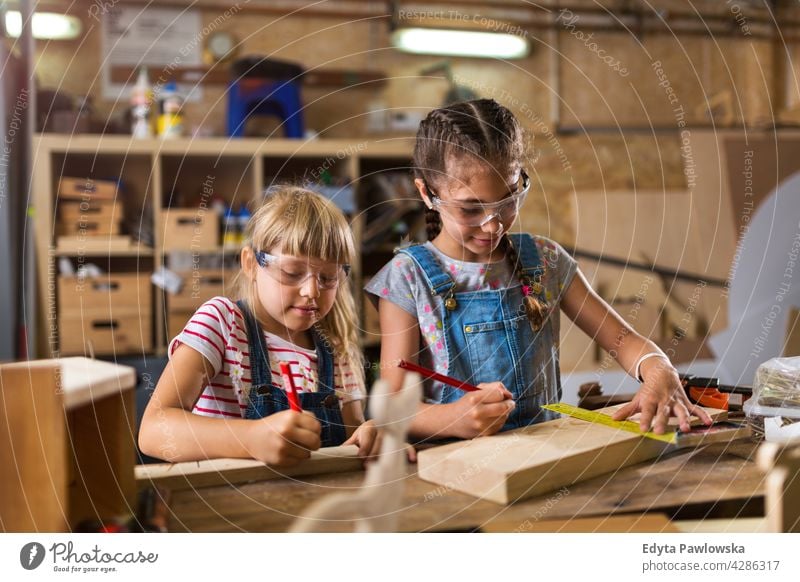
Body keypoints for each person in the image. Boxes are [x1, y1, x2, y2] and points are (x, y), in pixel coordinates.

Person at [366, 98, 711, 441]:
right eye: (471, 210)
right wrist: (450, 418)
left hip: (543, 459)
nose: (492, 225)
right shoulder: (408, 278)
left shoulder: (545, 261)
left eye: (508, 201)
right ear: (427, 193)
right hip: (451, 470)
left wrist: (658, 367)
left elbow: (623, 341)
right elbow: (390, 404)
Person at [140, 186, 378, 465]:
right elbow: (154, 431)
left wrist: (369, 437)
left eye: (328, 277)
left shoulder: (337, 347)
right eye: (292, 272)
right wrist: (250, 438)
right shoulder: (223, 323)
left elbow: (350, 442)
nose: (312, 291)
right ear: (251, 264)